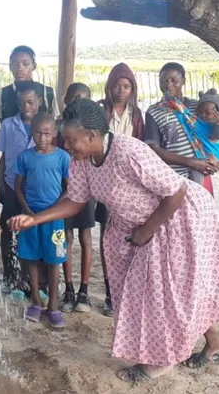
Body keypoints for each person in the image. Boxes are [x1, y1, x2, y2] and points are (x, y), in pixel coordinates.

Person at [9, 98, 219, 384]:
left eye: (71, 140)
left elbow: (176, 191)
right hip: (134, 227)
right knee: (162, 292)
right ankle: (216, 338)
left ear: (92, 135)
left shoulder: (129, 152)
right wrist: (36, 219)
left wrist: (147, 231)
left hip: (175, 218)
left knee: (160, 293)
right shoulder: (82, 160)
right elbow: (76, 199)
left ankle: (159, 361)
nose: (66, 146)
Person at [96, 63, 145, 317]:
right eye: (116, 85)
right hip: (106, 180)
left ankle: (127, 292)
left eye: (126, 86)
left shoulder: (136, 114)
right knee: (108, 237)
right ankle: (109, 293)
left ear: (132, 88)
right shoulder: (101, 110)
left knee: (130, 237)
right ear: (109, 86)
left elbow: (142, 148)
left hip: (129, 184)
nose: (121, 90)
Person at [14, 113, 71, 329]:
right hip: (29, 217)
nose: (42, 137)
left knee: (54, 260)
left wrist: (55, 208)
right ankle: (36, 301)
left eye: (47, 133)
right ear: (31, 133)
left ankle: (53, 306)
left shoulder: (62, 157)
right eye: (37, 133)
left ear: (54, 134)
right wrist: (27, 210)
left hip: (54, 218)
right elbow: (18, 187)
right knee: (31, 258)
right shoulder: (25, 157)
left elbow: (69, 187)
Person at [0, 82, 40, 293]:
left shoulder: (46, 127)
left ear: (39, 102)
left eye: (30, 102)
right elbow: (3, 157)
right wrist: (1, 183)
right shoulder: (8, 125)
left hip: (36, 189)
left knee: (30, 230)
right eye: (21, 103)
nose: (26, 107)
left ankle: (31, 277)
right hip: (13, 185)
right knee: (8, 227)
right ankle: (9, 274)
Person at [145, 62, 219, 185]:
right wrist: (189, 162)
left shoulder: (197, 107)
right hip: (173, 179)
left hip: (203, 175)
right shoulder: (153, 112)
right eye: (163, 80)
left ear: (183, 81)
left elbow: (214, 135)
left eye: (174, 80)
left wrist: (217, 160)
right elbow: (153, 149)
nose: (168, 84)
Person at [55, 83, 94, 314]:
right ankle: (68, 289)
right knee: (66, 237)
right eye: (73, 99)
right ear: (65, 100)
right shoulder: (60, 128)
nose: (77, 104)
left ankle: (84, 291)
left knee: (86, 237)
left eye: (82, 99)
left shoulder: (91, 131)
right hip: (64, 189)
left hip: (86, 189)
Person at [0, 45, 58, 121]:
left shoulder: (48, 93)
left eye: (25, 64)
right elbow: (3, 125)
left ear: (34, 66)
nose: (20, 68)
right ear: (10, 67)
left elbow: (53, 123)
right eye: (15, 64)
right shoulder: (1, 94)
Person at [189, 89, 219, 194]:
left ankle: (197, 192)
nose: (203, 115)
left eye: (207, 113)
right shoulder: (199, 121)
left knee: (198, 178)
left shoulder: (216, 124)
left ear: (217, 113)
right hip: (205, 155)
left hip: (211, 155)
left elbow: (218, 136)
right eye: (200, 112)